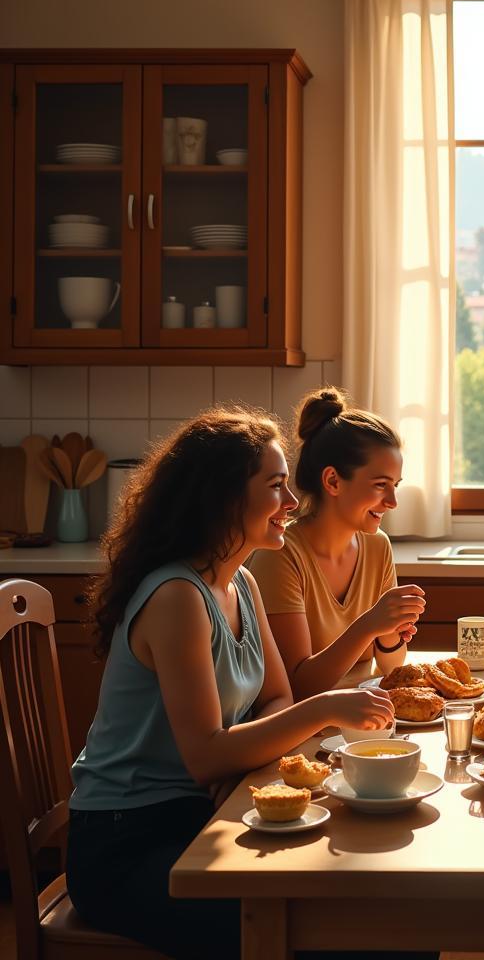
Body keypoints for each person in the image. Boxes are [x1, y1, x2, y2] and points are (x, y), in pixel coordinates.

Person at [66, 409, 429, 960]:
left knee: (384, 913)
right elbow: (208, 756)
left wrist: (246, 758)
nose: (291, 502)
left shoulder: (239, 583)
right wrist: (327, 708)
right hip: (129, 842)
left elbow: (277, 697)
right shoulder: (178, 598)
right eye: (276, 487)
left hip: (203, 813)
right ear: (223, 497)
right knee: (366, 935)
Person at [249, 387, 426, 699]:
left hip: (359, 723)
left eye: (395, 485)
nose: (393, 501)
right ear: (332, 481)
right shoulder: (280, 553)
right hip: (307, 729)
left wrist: (388, 634)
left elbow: (390, 667)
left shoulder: (377, 546)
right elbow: (297, 686)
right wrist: (369, 625)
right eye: (380, 485)